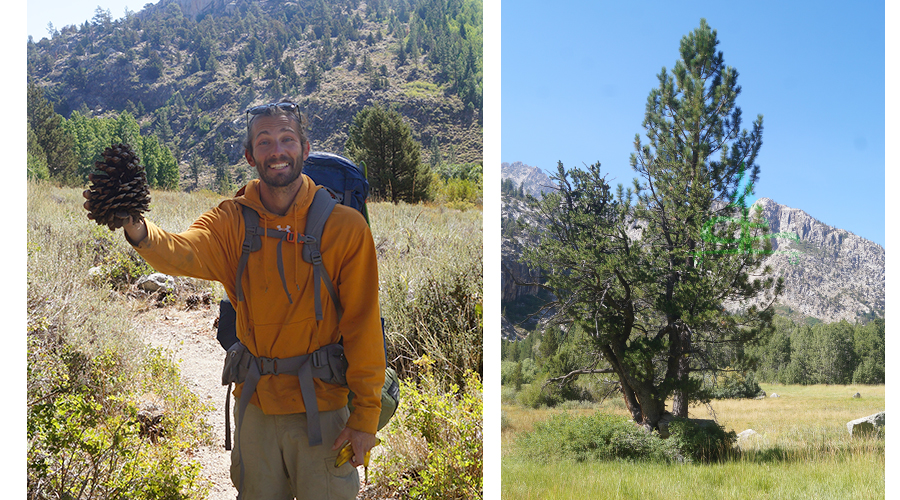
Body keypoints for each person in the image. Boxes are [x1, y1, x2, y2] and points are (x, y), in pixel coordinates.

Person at [84, 100, 385, 500]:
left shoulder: (345, 227)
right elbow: (180, 250)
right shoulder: (231, 220)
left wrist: (364, 418)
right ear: (250, 155)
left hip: (324, 410)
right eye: (264, 141)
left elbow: (363, 324)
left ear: (305, 149)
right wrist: (138, 228)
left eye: (286, 139)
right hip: (256, 407)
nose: (276, 150)